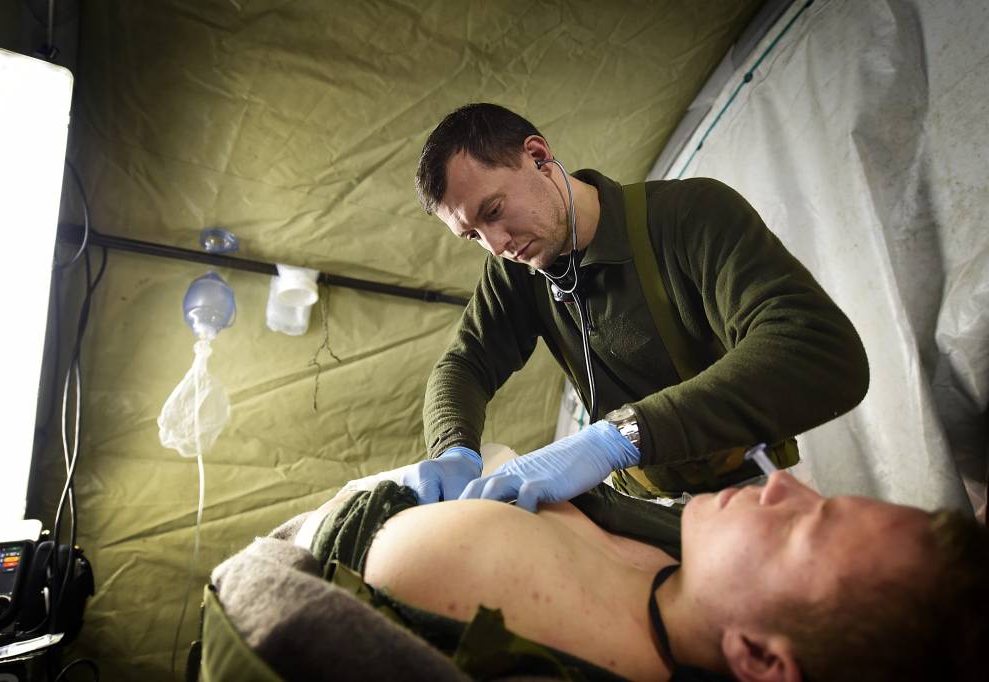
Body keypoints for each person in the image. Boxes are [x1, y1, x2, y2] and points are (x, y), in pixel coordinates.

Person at [403, 103, 870, 507]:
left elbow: (818, 351)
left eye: (493, 211)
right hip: (643, 503)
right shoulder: (517, 270)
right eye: (473, 237)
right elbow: (464, 364)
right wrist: (454, 449)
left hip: (753, 490)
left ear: (538, 157)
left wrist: (617, 437)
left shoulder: (689, 215)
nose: (497, 243)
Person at [289, 471, 987, 681]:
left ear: (759, 656)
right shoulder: (699, 575)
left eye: (804, 525)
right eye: (825, 496)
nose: (784, 483)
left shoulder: (476, 593)